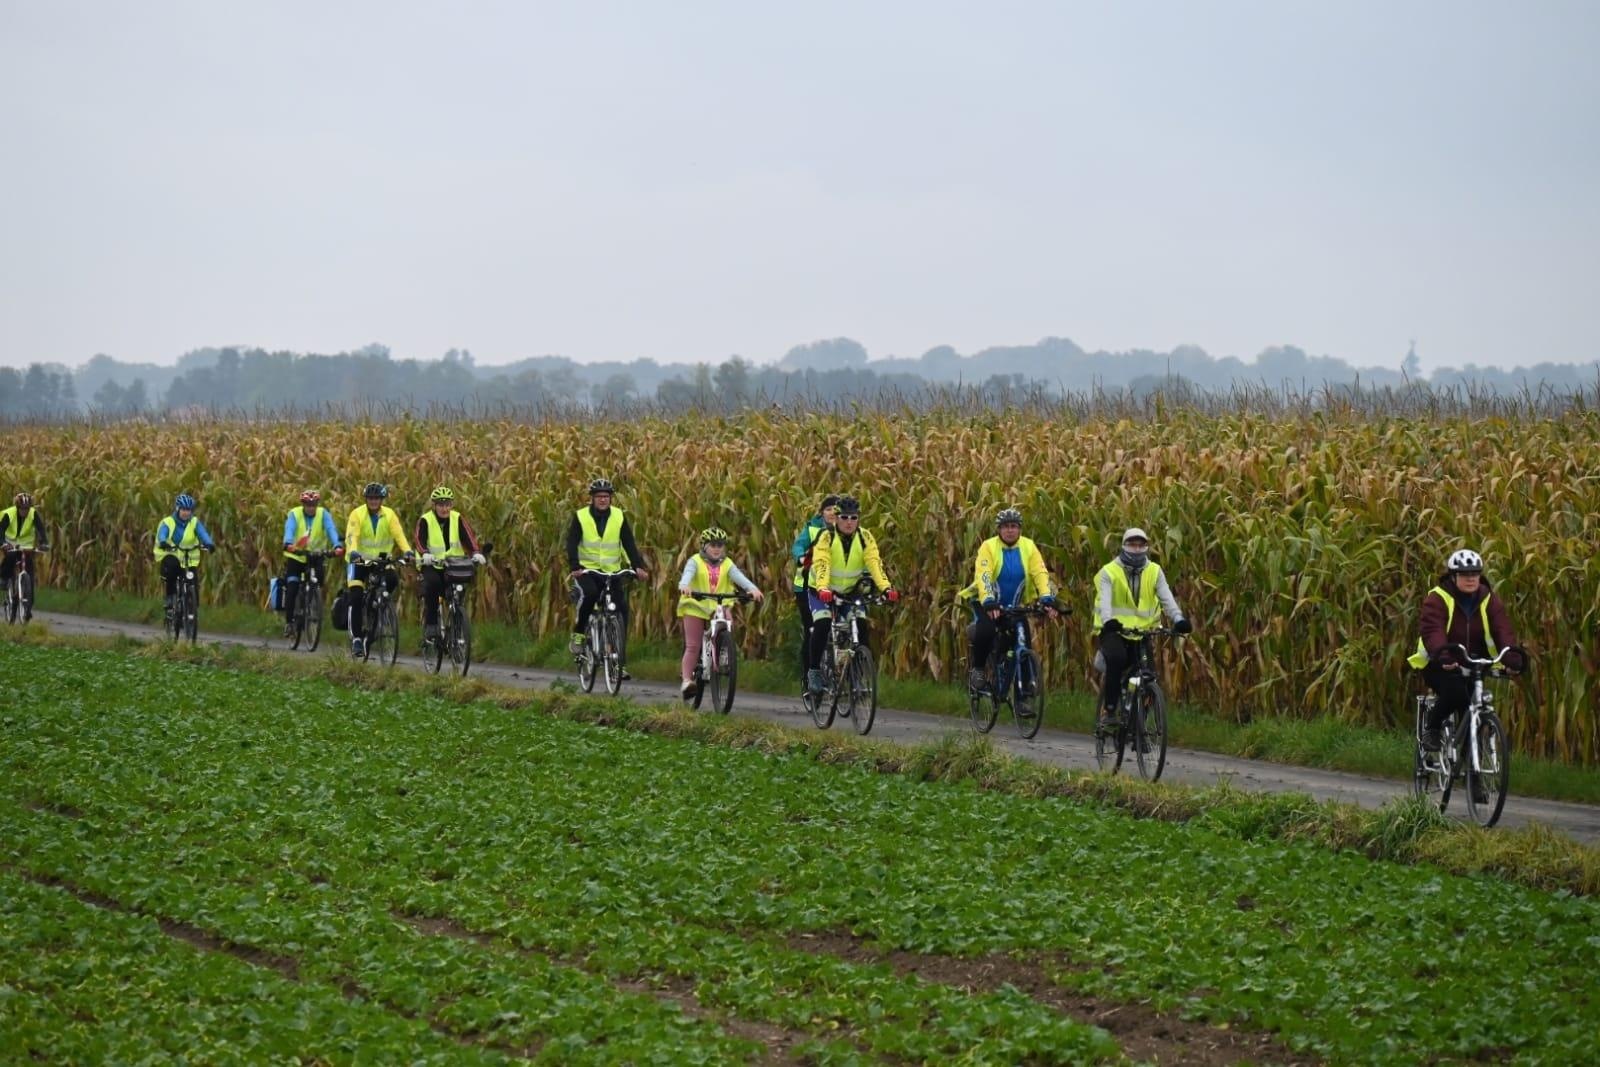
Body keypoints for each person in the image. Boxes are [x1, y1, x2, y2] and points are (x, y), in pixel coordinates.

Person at [1407, 549, 1525, 755]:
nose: (1471, 579)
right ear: (1453, 576)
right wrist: (1443, 655)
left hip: (1474, 662)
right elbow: (1432, 630)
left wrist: (1511, 659)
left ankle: (1471, 765)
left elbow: (1502, 630)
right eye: (1464, 575)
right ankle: (1432, 729)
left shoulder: (1489, 599)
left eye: (1475, 574)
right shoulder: (1438, 598)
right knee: (1455, 693)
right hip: (1439, 663)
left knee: (1473, 701)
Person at [958, 508, 1060, 707]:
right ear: (999, 529)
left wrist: (1047, 598)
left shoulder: (1028, 547)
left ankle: (1024, 695)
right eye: (1005, 527)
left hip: (1014, 604)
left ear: (1019, 529)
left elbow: (1039, 572)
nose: (1010, 530)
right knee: (986, 630)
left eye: (1014, 526)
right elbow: (984, 574)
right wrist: (988, 600)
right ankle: (978, 670)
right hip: (986, 602)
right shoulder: (988, 546)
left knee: (1023, 638)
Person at [1093, 527, 1191, 731]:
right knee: (1117, 660)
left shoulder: (1154, 571)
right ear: (1124, 546)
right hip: (1115, 631)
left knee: (1149, 676)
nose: (1136, 549)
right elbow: (1105, 600)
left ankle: (1139, 726)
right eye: (1132, 544)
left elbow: (1167, 598)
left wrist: (1178, 619)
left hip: (1142, 632)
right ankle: (1110, 710)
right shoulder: (1109, 571)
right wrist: (1108, 620)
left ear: (1146, 547)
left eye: (1141, 545)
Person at [805, 495, 899, 695]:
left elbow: (875, 564)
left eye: (853, 518)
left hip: (849, 593)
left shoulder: (865, 537)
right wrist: (823, 588)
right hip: (821, 591)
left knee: (861, 626)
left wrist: (886, 588)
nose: (849, 522)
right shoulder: (826, 537)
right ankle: (813, 671)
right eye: (845, 517)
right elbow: (822, 563)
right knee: (822, 624)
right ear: (836, 518)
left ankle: (856, 675)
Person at [565, 477, 650, 676]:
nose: (603, 500)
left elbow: (628, 542)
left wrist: (637, 566)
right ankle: (578, 634)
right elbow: (572, 542)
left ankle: (619, 664)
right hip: (587, 570)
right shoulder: (581, 516)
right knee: (591, 595)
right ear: (592, 499)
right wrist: (574, 565)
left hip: (611, 571)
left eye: (606, 496)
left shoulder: (619, 516)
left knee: (621, 611)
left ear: (611, 498)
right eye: (599, 497)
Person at [676, 526, 764, 699]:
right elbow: (687, 575)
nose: (717, 548)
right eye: (712, 545)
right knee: (693, 645)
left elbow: (740, 578)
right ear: (704, 546)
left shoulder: (727, 563)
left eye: (720, 545)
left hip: (719, 604)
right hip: (695, 604)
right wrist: (685, 586)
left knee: (726, 623)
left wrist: (752, 589)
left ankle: (724, 652)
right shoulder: (695, 561)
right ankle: (687, 681)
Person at [343, 482, 414, 657]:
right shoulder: (357, 514)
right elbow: (352, 536)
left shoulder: (389, 515)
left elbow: (399, 535)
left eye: (377, 498)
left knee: (392, 580)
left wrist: (407, 551)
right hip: (359, 560)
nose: (374, 501)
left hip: (381, 560)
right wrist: (352, 552)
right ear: (366, 499)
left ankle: (377, 607)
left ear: (382, 499)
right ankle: (357, 639)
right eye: (370, 498)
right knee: (356, 596)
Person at [414, 486, 486, 643]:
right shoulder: (426, 520)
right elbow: (419, 539)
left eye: (447, 504)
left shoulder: (457, 518)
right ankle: (431, 626)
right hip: (432, 564)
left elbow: (469, 537)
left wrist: (476, 552)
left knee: (457, 593)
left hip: (454, 565)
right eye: (441, 504)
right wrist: (425, 553)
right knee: (432, 586)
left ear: (451, 505)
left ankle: (457, 629)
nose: (444, 508)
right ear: (434, 505)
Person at [789, 494, 840, 679]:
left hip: (835, 585)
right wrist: (801, 557)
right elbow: (798, 546)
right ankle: (810, 674)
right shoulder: (812, 529)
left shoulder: (847, 530)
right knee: (813, 629)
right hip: (806, 587)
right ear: (821, 513)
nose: (832, 513)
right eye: (828, 509)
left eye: (836, 509)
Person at [281, 490, 344, 636]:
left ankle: (310, 607)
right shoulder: (295, 514)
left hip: (316, 556)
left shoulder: (323, 514)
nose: (311, 508)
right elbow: (289, 530)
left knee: (318, 583)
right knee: (292, 587)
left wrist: (337, 546)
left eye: (313, 505)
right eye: (308, 505)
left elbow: (331, 530)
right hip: (297, 557)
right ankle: (289, 622)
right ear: (303, 504)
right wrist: (289, 543)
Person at [153, 493, 217, 623]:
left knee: (193, 580)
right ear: (177, 509)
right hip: (172, 554)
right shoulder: (168, 522)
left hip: (188, 558)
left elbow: (203, 533)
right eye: (183, 509)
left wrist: (209, 544)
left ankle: (192, 609)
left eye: (189, 510)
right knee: (171, 570)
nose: (186, 513)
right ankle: (170, 601)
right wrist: (164, 542)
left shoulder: (194, 522)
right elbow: (163, 533)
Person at [2, 492, 50, 618]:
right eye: (22, 509)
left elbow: (40, 529)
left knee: (29, 570)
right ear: (17, 508)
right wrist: (3, 543)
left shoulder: (33, 514)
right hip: (10, 543)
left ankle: (28, 603)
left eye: (27, 509)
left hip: (26, 546)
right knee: (11, 557)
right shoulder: (9, 514)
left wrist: (44, 543)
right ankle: (4, 578)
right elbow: (0, 531)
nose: (25, 511)